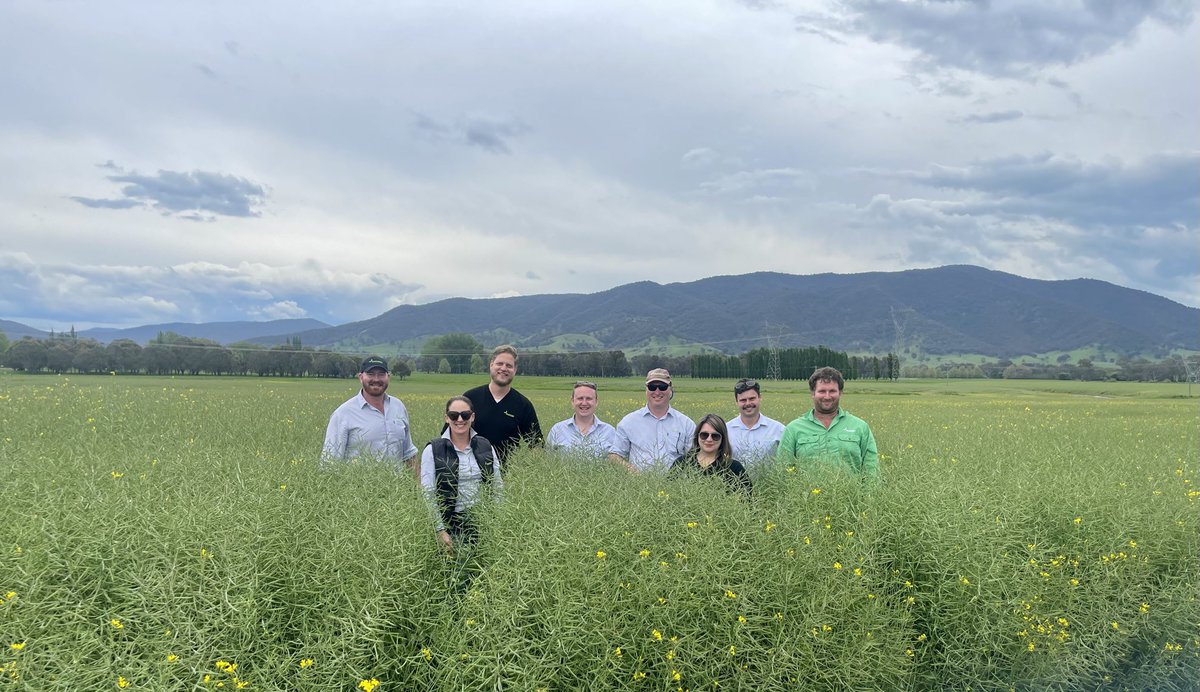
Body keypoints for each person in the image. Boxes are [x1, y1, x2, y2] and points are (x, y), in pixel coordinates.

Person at [420, 396, 503, 550]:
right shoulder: (433, 449)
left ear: (472, 417)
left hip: (482, 522)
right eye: (453, 415)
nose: (460, 419)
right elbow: (428, 493)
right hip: (450, 525)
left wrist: (496, 522)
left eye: (465, 415)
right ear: (446, 418)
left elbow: (497, 486)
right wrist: (440, 530)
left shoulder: (485, 445)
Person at [777, 367, 880, 479]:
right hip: (806, 496)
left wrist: (867, 496)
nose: (827, 396)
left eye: (832, 391)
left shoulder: (860, 427)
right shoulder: (793, 429)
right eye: (822, 391)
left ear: (840, 393)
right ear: (813, 393)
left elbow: (871, 470)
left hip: (851, 496)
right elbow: (783, 471)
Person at [321, 355, 418, 471]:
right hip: (358, 487)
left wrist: (418, 487)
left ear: (388, 377)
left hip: (397, 487)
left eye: (381, 374)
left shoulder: (398, 407)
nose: (376, 379)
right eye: (371, 374)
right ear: (361, 377)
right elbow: (329, 463)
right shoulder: (343, 414)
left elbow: (409, 454)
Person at [462, 345, 542, 467]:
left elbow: (536, 445)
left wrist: (524, 470)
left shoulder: (523, 405)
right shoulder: (470, 398)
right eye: (499, 363)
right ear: (491, 365)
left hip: (508, 478)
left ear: (515, 370)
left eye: (509, 365)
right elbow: (450, 434)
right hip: (470, 474)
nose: (503, 368)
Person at [610, 368, 696, 471]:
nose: (657, 391)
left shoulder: (686, 424)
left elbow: (695, 457)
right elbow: (614, 456)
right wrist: (630, 469)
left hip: (676, 484)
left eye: (662, 387)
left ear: (670, 389)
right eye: (652, 387)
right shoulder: (628, 422)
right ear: (646, 389)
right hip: (640, 485)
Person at [669, 413, 752, 495]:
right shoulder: (681, 464)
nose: (709, 439)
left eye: (715, 436)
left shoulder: (735, 468)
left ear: (723, 438)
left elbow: (748, 501)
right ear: (697, 436)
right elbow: (668, 494)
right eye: (704, 435)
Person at [546, 381, 617, 458]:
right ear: (573, 401)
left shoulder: (610, 432)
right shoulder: (557, 430)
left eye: (589, 398)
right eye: (580, 398)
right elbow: (547, 461)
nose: (584, 403)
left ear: (596, 402)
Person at [726, 378, 786, 465]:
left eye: (752, 399)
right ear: (736, 402)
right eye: (743, 400)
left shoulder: (778, 429)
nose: (748, 403)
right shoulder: (726, 430)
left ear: (760, 398)